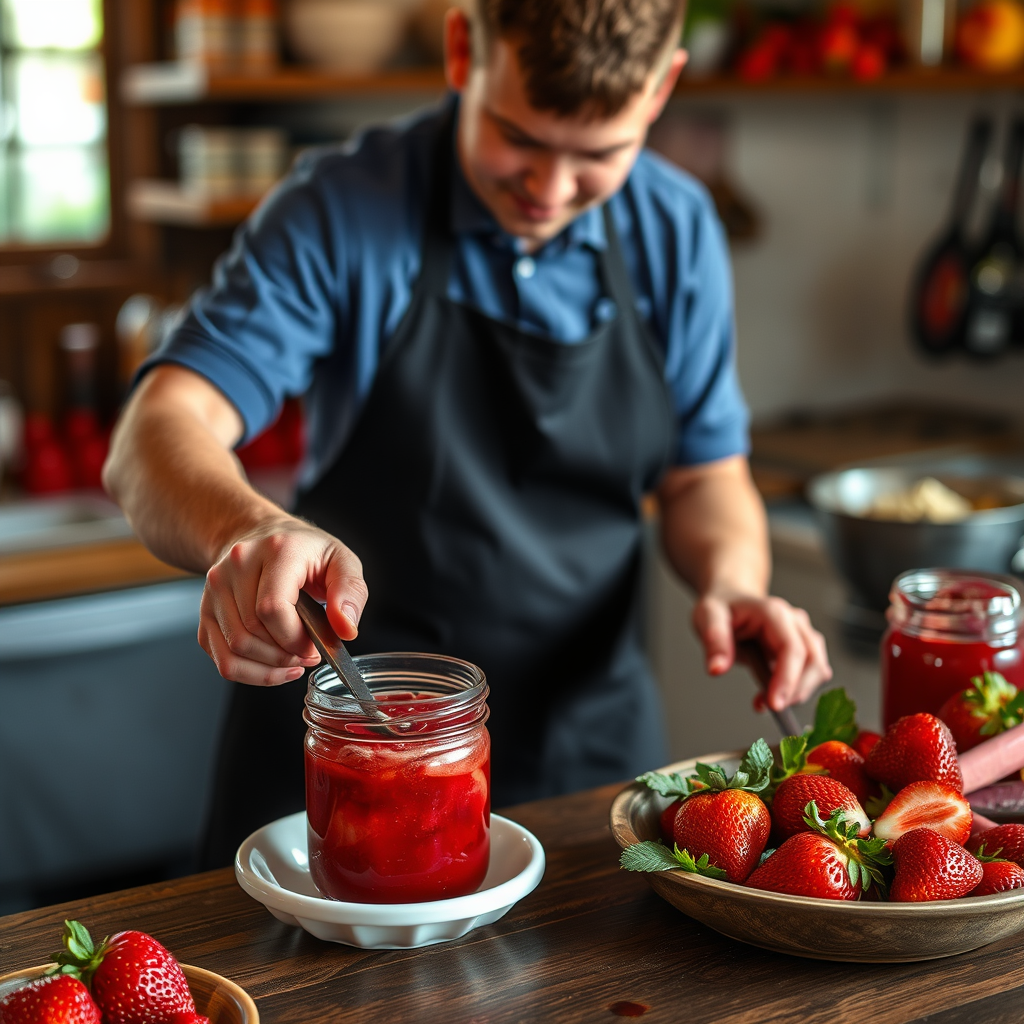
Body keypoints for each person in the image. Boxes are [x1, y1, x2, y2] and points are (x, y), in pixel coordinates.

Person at [104, 0, 832, 866]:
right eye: (518, 138)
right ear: (462, 49)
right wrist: (248, 527)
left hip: (585, 770)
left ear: (662, 89)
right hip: (352, 752)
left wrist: (733, 582)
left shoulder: (677, 229)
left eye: (599, 155)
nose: (551, 190)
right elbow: (155, 432)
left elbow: (703, 476)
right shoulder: (341, 208)